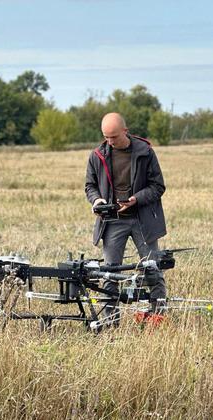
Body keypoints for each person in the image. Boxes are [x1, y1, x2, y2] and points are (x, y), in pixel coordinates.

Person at [84, 112, 167, 323]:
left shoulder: (145, 152)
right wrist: (96, 201)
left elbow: (158, 186)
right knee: (110, 273)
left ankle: (158, 315)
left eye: (114, 137)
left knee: (152, 269)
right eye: (106, 137)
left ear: (125, 131)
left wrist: (136, 199)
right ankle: (110, 320)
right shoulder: (97, 155)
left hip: (142, 220)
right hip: (112, 222)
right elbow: (90, 186)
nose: (110, 142)